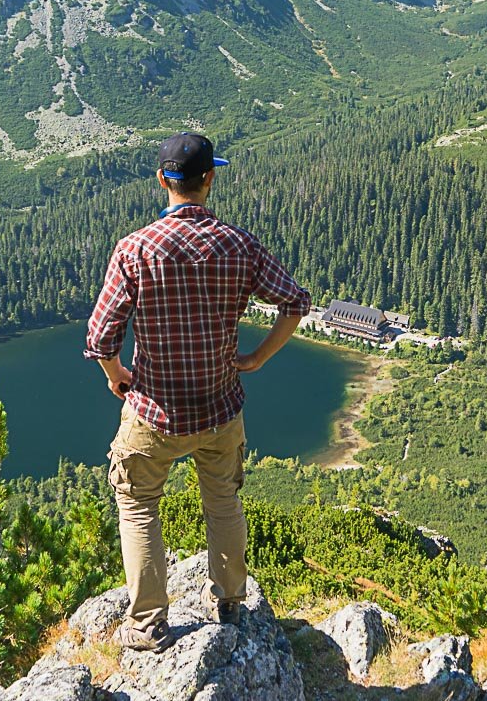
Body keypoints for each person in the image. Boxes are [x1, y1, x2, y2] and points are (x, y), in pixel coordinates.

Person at [85, 131, 311, 652]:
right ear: (210, 178)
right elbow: (294, 304)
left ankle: (147, 625)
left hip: (153, 414)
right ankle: (231, 605)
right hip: (219, 409)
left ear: (162, 180)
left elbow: (100, 338)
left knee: (138, 504)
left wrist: (114, 374)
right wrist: (255, 358)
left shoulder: (134, 249)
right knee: (223, 501)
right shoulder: (239, 245)